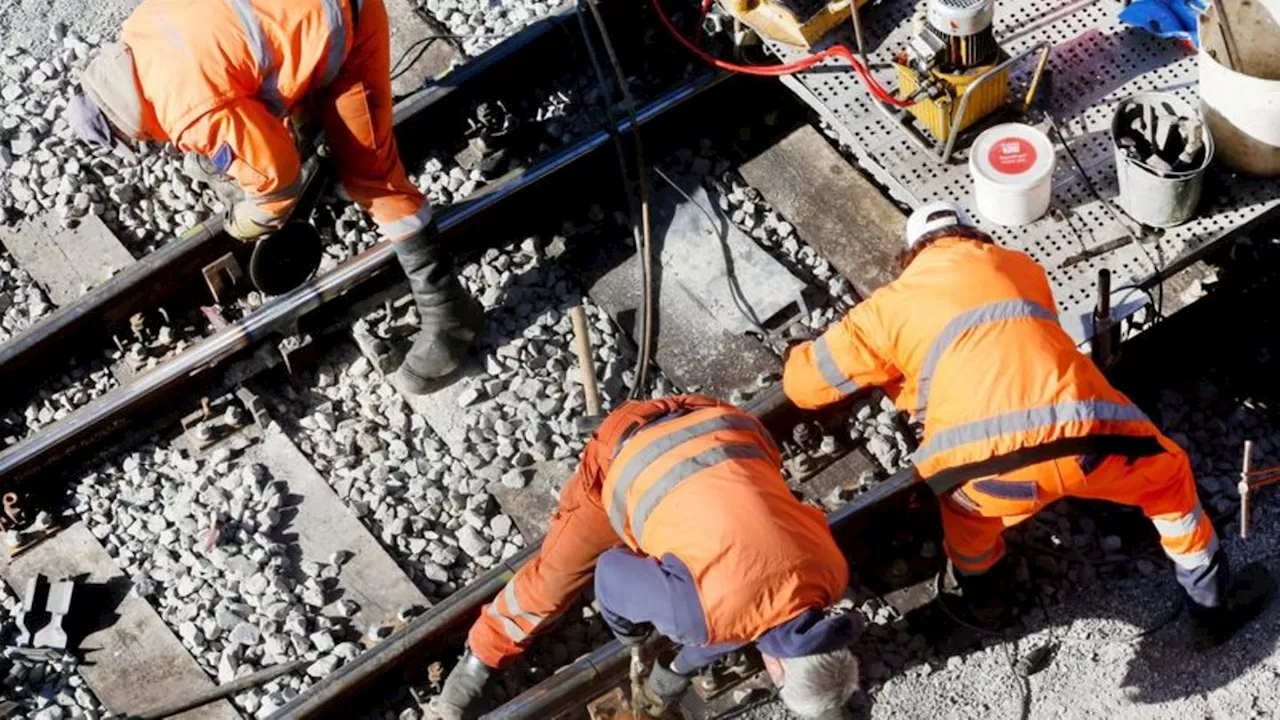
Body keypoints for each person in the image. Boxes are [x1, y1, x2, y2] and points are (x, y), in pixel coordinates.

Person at [782, 201, 1271, 646]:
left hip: (981, 473)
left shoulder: (888, 306)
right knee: (1169, 481)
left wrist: (813, 352)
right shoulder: (1020, 267)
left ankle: (990, 603)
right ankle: (1212, 605)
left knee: (970, 527)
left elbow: (804, 388)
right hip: (1089, 440)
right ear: (975, 238)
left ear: (910, 257)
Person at [66, 0, 483, 394]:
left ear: (123, 127)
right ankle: (317, 128)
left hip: (347, 23)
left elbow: (278, 185)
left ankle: (450, 314)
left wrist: (246, 221)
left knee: (374, 182)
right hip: (300, 16)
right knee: (267, 87)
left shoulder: (189, 110)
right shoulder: (141, 28)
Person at [435, 395, 861, 719]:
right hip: (626, 452)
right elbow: (608, 575)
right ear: (777, 670)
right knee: (555, 576)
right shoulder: (698, 618)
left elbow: (753, 606)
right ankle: (483, 650)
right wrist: (632, 635)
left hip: (724, 424)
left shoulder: (833, 573)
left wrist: (684, 664)